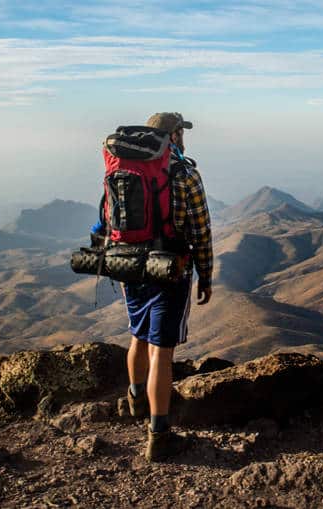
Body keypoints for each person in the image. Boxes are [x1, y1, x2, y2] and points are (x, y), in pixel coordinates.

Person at [120, 112, 213, 462]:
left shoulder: (125, 169)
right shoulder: (184, 173)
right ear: (173, 136)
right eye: (180, 132)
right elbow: (200, 229)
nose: (183, 137)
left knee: (137, 335)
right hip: (169, 268)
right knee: (162, 349)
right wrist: (205, 274)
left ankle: (135, 400)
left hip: (129, 266)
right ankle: (159, 436)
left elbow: (106, 219)